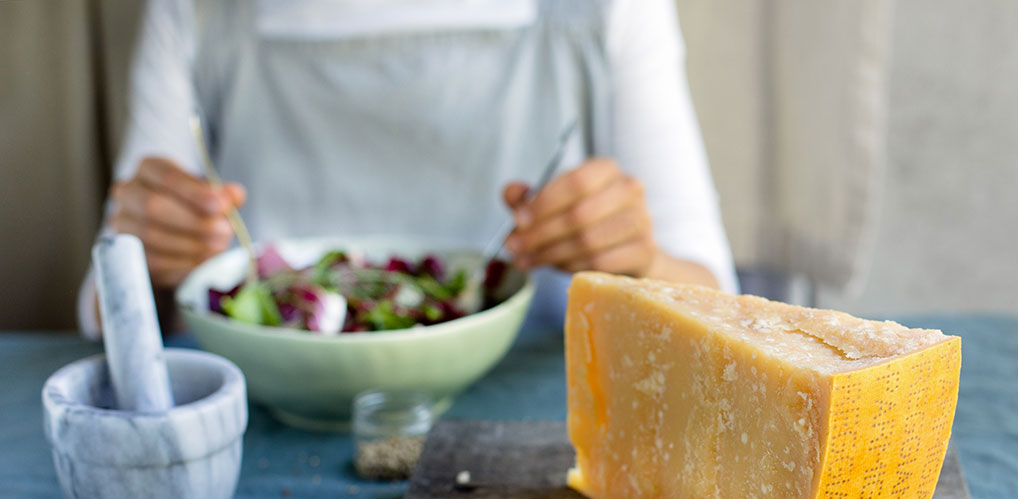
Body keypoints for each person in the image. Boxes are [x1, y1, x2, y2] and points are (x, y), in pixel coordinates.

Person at [78, 0, 737, 337]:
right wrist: (140, 254)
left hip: (536, 430)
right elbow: (99, 311)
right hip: (264, 420)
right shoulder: (198, 11)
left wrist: (642, 261)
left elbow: (721, 301)